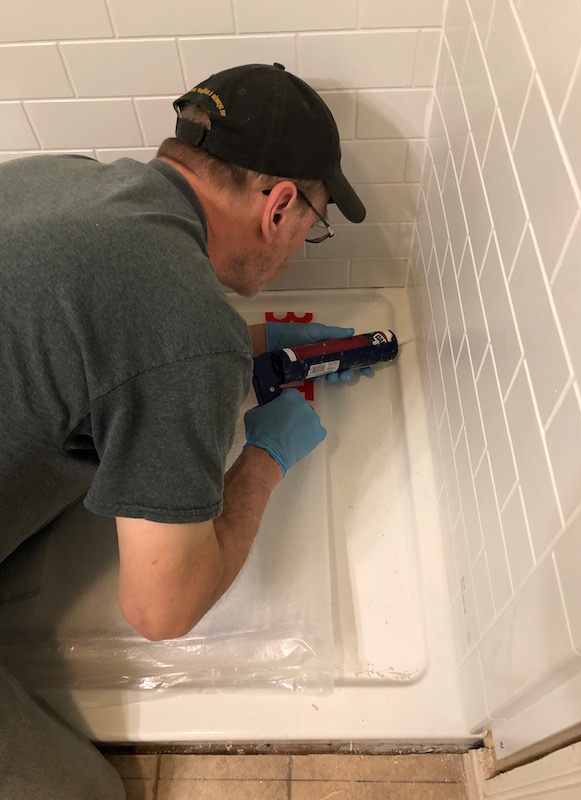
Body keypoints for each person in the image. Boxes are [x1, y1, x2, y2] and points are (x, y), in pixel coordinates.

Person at [0, 63, 365, 798]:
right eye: (313, 225)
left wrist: (250, 344)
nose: (300, 242)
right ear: (280, 203)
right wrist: (265, 457)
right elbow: (160, 611)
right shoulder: (186, 326)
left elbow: (101, 328)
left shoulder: (56, 178)